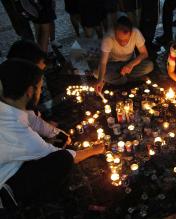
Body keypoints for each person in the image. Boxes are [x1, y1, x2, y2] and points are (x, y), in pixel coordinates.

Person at [0, 59, 106, 209]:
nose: (41, 91)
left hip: (8, 156)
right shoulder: (18, 132)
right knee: (61, 160)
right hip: (4, 186)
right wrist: (95, 150)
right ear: (29, 91)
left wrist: (58, 133)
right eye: (39, 87)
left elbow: (34, 121)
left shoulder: (10, 105)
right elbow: (63, 156)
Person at [96, 16, 153, 92]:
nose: (122, 43)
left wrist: (131, 64)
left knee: (149, 66)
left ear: (131, 33)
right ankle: (129, 79)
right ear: (115, 31)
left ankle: (122, 79)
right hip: (113, 64)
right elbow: (103, 63)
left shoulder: (136, 33)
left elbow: (144, 53)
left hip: (129, 61)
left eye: (126, 40)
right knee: (97, 72)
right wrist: (100, 80)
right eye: (119, 39)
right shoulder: (108, 37)